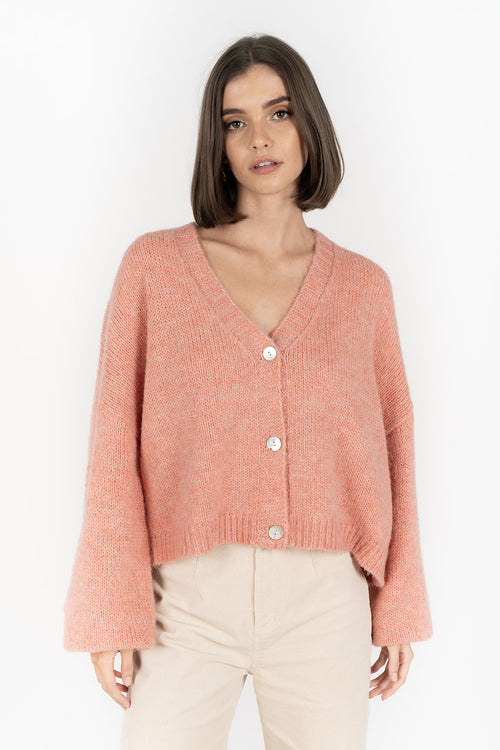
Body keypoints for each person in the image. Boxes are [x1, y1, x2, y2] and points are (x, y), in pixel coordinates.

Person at [63, 33, 433, 750]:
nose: (259, 138)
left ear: (309, 125)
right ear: (218, 142)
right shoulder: (154, 271)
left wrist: (398, 605)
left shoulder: (363, 289)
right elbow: (112, 441)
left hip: (325, 604)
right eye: (235, 122)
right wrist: (111, 608)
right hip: (185, 602)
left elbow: (395, 446)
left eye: (279, 113)